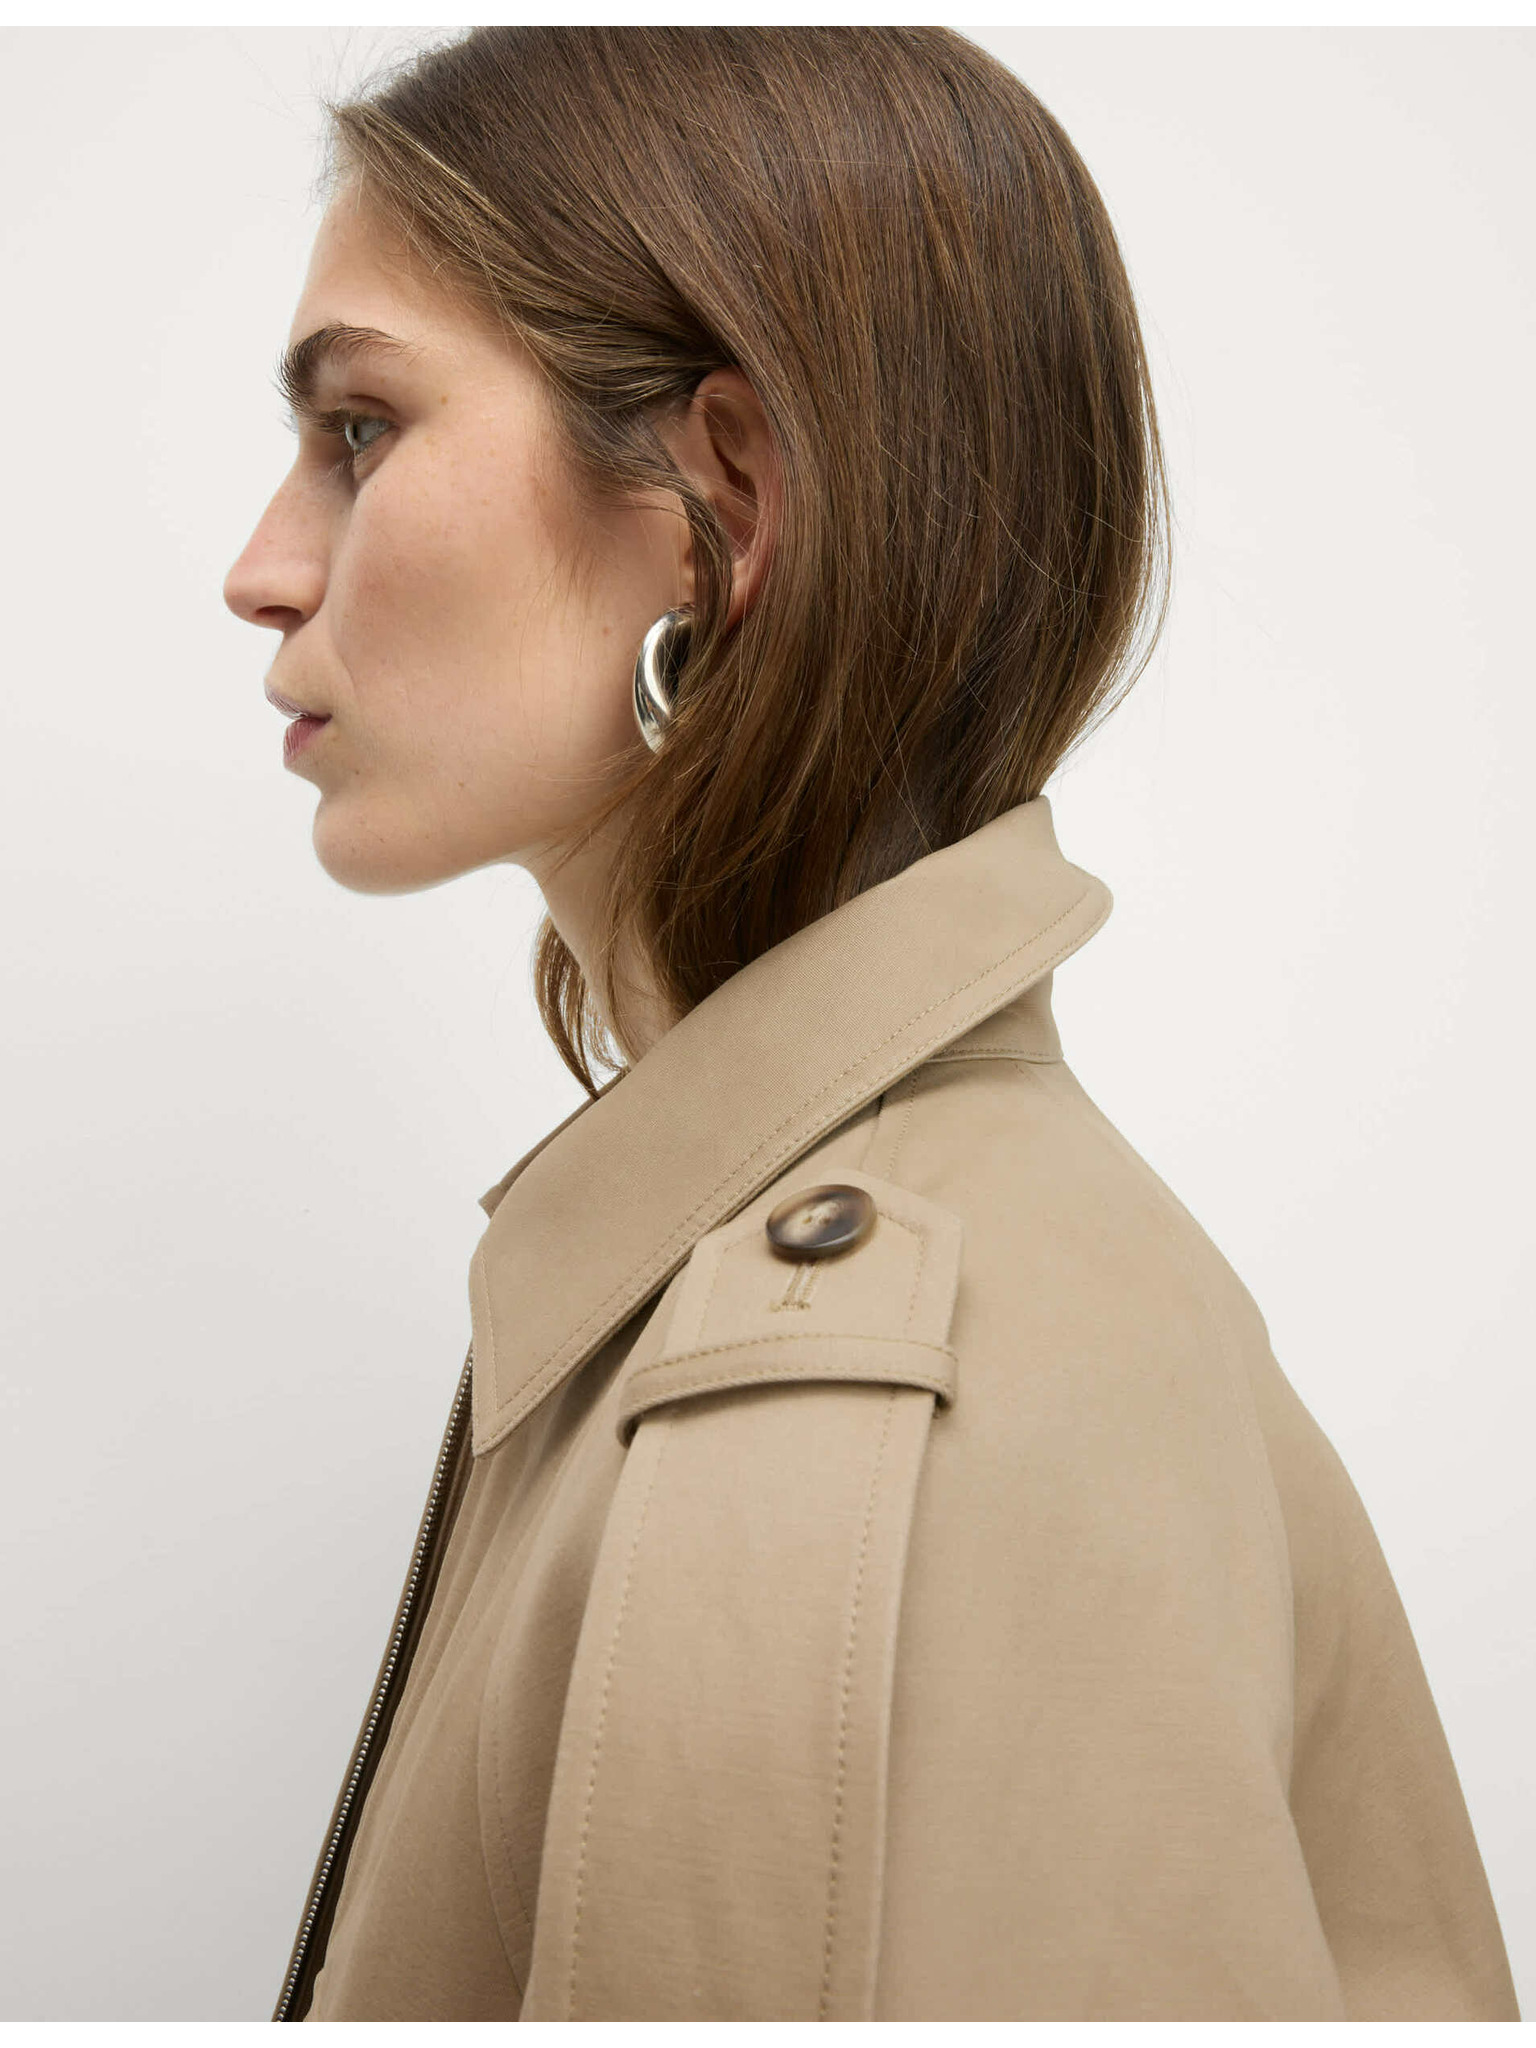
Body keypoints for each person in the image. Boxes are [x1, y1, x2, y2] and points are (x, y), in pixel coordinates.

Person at [222, 26, 1519, 2023]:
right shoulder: (842, 1282)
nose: (263, 568)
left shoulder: (842, 1399)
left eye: (363, 430)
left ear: (718, 498)